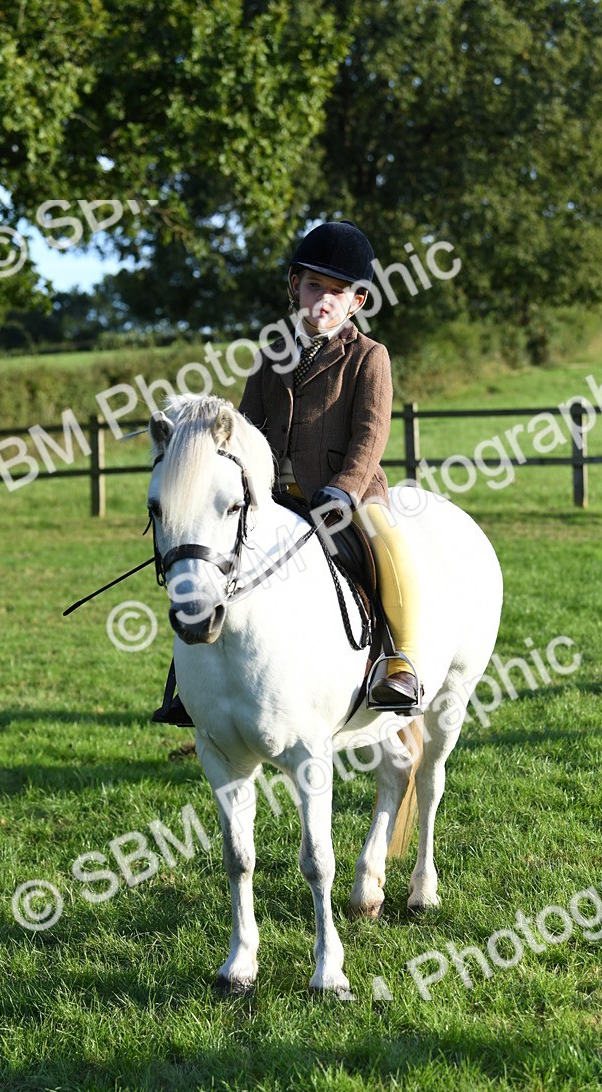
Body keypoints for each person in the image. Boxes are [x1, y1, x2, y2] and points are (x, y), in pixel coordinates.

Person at [152, 219, 423, 726]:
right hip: (273, 498)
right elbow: (244, 430)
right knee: (214, 561)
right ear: (295, 286)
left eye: (336, 293)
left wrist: (344, 490)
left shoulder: (370, 357)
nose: (323, 301)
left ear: (356, 303)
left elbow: (371, 435)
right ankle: (188, 683)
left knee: (388, 545)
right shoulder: (270, 355)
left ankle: (399, 661)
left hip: (350, 495)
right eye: (314, 286)